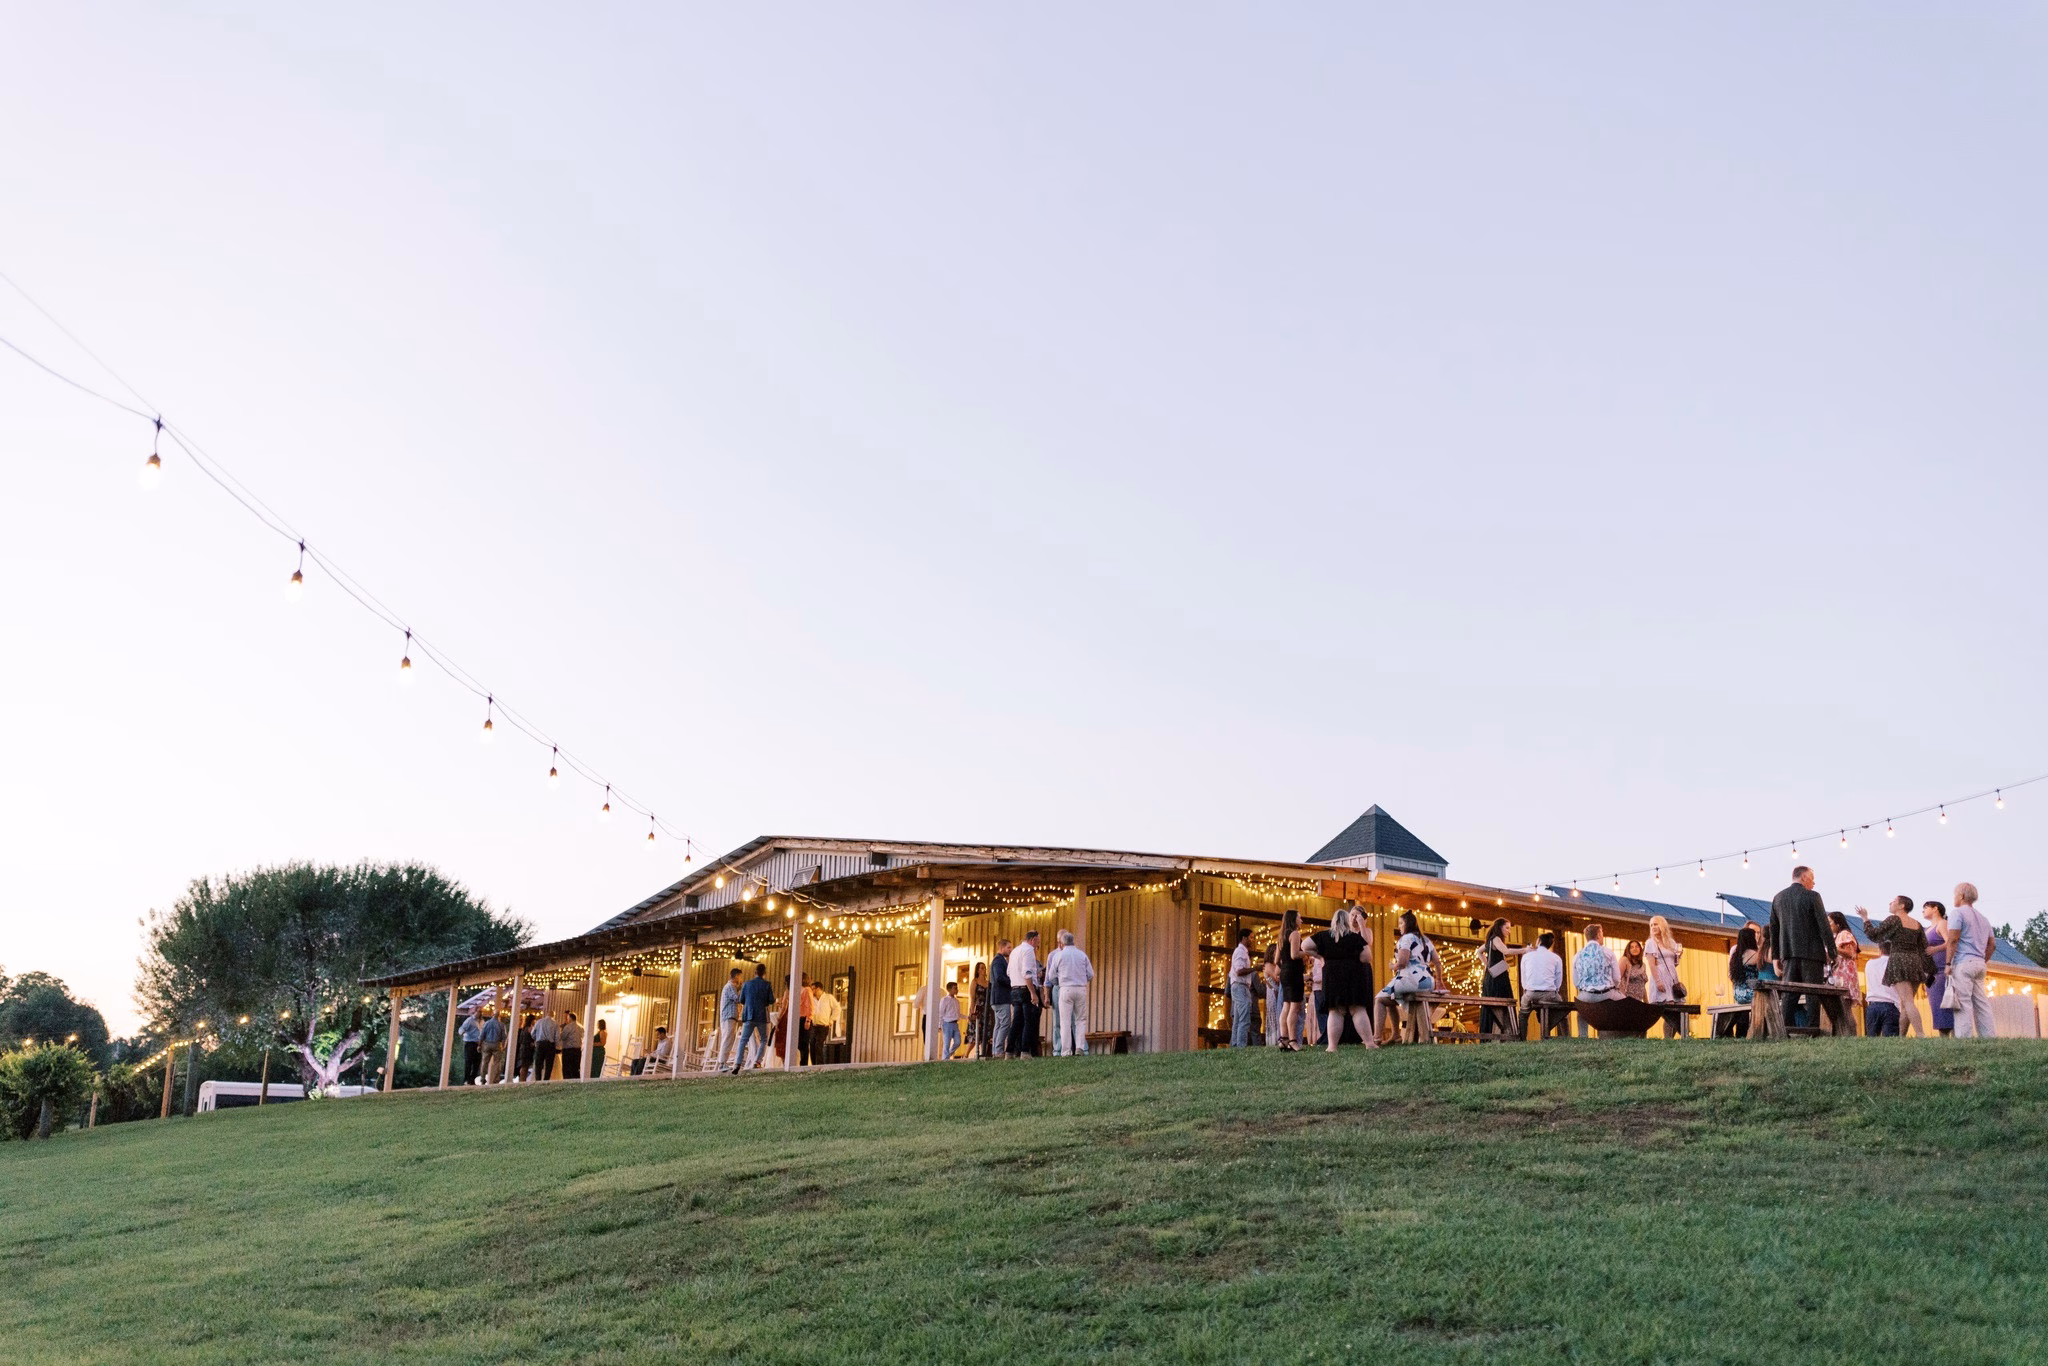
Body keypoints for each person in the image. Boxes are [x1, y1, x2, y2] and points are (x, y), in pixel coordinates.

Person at [1768, 867, 1843, 1033]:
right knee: (1812, 992)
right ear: (1803, 877)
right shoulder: (1813, 896)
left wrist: (1775, 957)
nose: (1814, 882)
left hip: (1788, 953)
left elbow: (1774, 929)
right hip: (1812, 952)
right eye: (1812, 878)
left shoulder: (1778, 898)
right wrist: (1832, 952)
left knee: (1789, 993)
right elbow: (1824, 926)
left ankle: (1785, 1029)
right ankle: (1812, 1029)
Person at [1857, 896, 1932, 1038]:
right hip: (1915, 962)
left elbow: (1874, 935)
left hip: (1899, 960)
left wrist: (1865, 919)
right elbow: (1924, 948)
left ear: (1901, 905)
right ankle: (1901, 1037)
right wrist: (1929, 969)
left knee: (1907, 1001)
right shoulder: (1917, 924)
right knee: (1905, 1004)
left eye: (1893, 901)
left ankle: (1921, 1034)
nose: (1890, 903)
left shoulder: (1894, 919)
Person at [1307, 904, 1376, 1050]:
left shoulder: (1324, 936)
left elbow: (1304, 946)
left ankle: (1332, 1047)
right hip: (1353, 977)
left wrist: (1321, 956)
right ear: (1346, 921)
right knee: (1357, 1009)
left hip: (1331, 977)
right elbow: (1366, 957)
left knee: (1335, 1010)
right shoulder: (1353, 938)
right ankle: (1369, 1043)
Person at [1374, 910, 1442, 1042]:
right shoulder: (1426, 940)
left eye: (1401, 923)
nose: (1399, 926)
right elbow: (1438, 962)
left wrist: (1393, 966)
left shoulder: (1406, 939)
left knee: (1380, 999)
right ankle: (1396, 1035)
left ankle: (1377, 1037)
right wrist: (1439, 980)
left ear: (1407, 924)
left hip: (1411, 979)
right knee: (1389, 999)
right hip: (1428, 982)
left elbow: (1403, 962)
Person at [1945, 883, 1998, 1039]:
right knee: (1982, 1003)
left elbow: (1953, 939)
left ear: (1961, 896)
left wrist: (1948, 963)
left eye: (1955, 894)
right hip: (1979, 963)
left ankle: (1964, 1038)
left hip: (1963, 962)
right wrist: (1982, 959)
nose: (1954, 897)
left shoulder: (1957, 913)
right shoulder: (1984, 918)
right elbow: (1992, 945)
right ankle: (1989, 1036)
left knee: (1963, 1002)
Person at [1045, 929, 1094, 1055]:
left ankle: (1066, 1050)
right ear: (1074, 941)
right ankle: (1080, 1047)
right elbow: (1090, 974)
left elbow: (1051, 976)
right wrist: (1082, 979)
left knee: (1064, 1020)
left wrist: (1059, 982)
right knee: (1080, 1019)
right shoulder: (1082, 955)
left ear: (1062, 943)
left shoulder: (1058, 956)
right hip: (1080, 988)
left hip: (1065, 989)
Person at [1479, 918, 1527, 1040]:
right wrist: (1524, 950)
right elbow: (1506, 951)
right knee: (1503, 1004)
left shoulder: (1490, 940)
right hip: (1498, 978)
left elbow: (1478, 952)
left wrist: (1488, 965)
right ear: (1500, 927)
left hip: (1491, 976)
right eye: (1507, 928)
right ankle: (1503, 1034)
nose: (1509, 931)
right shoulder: (1496, 939)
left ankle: (1495, 1034)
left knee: (1494, 1005)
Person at [1518, 930, 1567, 1038]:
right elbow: (1558, 981)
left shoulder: (1527, 956)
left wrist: (1527, 989)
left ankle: (1522, 1038)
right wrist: (1554, 990)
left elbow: (1524, 979)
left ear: (1538, 941)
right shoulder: (1556, 958)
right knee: (1563, 1012)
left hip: (1531, 993)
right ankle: (1566, 1036)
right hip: (1549, 994)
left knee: (1523, 1014)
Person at [1645, 915, 1687, 1039]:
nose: (1653, 927)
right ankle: (1669, 1038)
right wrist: (1658, 981)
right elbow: (1651, 964)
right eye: (1651, 925)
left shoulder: (1671, 942)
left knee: (1676, 1008)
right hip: (1660, 976)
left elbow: (1674, 963)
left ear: (1662, 925)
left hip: (1671, 977)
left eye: (1656, 924)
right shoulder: (1651, 943)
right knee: (1668, 1010)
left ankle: (1672, 1038)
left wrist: (1678, 957)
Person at [733, 964, 775, 1072]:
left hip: (749, 1015)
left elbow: (742, 999)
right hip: (761, 1016)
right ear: (764, 973)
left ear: (755, 973)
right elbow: (771, 1000)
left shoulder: (746, 984)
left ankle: (737, 1063)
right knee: (764, 1039)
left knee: (743, 1040)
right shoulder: (767, 984)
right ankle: (757, 1061)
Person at [1923, 903, 1956, 1036]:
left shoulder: (1942, 924)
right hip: (1930, 973)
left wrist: (1935, 949)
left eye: (1926, 907)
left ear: (1935, 908)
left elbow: (1950, 942)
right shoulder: (1927, 929)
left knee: (1945, 1004)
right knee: (1935, 1005)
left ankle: (1951, 1035)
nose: (1923, 910)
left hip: (1941, 971)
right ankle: (1943, 1037)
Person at [1278, 909, 1308, 1050]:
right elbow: (1295, 954)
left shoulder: (1281, 936)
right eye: (1299, 918)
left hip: (1285, 973)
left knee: (1286, 1006)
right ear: (1293, 920)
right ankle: (1292, 1040)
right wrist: (1308, 952)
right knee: (1295, 1007)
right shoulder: (1295, 934)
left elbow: (1277, 959)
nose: (1301, 921)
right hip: (1294, 973)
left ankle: (1283, 1039)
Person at [1012, 929, 1044, 1057]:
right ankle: (1025, 1050)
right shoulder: (1028, 951)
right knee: (1028, 1020)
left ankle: (1010, 1050)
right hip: (1026, 988)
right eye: (1038, 942)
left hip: (1014, 988)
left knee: (1017, 1021)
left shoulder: (1015, 951)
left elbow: (1010, 972)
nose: (1038, 945)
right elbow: (1027, 973)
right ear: (1033, 940)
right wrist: (1033, 993)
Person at [1726, 924, 1761, 1039]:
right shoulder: (1755, 955)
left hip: (1738, 994)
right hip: (1751, 994)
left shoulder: (1736, 956)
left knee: (1743, 1014)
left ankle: (1740, 1033)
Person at [1573, 924, 1623, 1002]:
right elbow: (1616, 979)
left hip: (1586, 996)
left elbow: (1576, 982)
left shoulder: (1577, 955)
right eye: (1602, 934)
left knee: (1580, 1006)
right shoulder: (1608, 952)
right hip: (1607, 995)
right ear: (1599, 935)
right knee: (1627, 1006)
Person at [1227, 927, 1257, 1047]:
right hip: (1240, 986)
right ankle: (1241, 1046)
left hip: (1239, 987)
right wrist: (1255, 968)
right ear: (1244, 938)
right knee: (1244, 1019)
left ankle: (1234, 1045)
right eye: (1251, 937)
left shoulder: (1242, 952)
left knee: (1238, 1019)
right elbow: (1239, 971)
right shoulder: (1240, 952)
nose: (1252, 940)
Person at [711, 968, 745, 1072]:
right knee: (727, 1039)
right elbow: (737, 999)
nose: (741, 979)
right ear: (736, 976)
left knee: (729, 1039)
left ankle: (723, 1062)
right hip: (728, 1016)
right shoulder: (730, 986)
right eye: (740, 976)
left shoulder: (731, 987)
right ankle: (722, 1063)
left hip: (730, 1017)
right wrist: (742, 989)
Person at [1863, 943, 1900, 1036]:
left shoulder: (1869, 964)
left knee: (1872, 1040)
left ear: (1880, 949)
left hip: (1873, 1004)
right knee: (1890, 1041)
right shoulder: (1896, 965)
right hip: (1891, 1005)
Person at [989, 938, 1016, 1059]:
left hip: (997, 998)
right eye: (1008, 947)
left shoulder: (999, 961)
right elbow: (999, 977)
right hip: (1001, 997)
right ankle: (999, 1050)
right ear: (1002, 947)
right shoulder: (998, 961)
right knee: (1005, 1023)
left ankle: (995, 1050)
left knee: (999, 1024)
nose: (1010, 950)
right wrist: (1012, 981)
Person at [810, 980, 840, 1064]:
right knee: (812, 1045)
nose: (812, 991)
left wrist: (831, 1019)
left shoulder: (828, 997)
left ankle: (820, 1065)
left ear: (818, 989)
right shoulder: (812, 999)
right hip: (814, 1025)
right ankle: (813, 1065)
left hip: (823, 1026)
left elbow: (837, 1008)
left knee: (818, 1045)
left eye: (813, 989)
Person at [476, 1008, 506, 1084]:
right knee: (497, 1062)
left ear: (492, 1015)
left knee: (484, 1062)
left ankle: (483, 1078)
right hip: (496, 1044)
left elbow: (482, 1035)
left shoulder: (486, 1023)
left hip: (486, 1044)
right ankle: (496, 1079)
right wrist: (503, 1046)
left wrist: (479, 1045)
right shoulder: (501, 1025)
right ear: (499, 1016)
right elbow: (503, 1037)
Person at [1262, 942, 1283, 1047]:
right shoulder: (1268, 965)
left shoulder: (1274, 965)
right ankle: (1274, 1039)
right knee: (1274, 1015)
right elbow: (1276, 977)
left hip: (1277, 992)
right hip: (1273, 994)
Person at [530, 1007, 560, 1081]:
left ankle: (538, 1079)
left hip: (540, 1044)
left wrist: (536, 1039)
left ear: (546, 1014)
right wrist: (557, 1046)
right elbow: (557, 1037)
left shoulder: (539, 1022)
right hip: (550, 1045)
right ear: (553, 1015)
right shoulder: (555, 1023)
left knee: (538, 1063)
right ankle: (546, 1079)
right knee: (549, 1064)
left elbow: (532, 1033)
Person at [970, 961, 991, 1058]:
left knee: (986, 1033)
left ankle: (984, 1053)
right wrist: (972, 1011)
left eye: (984, 968)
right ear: (978, 970)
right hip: (978, 1008)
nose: (984, 970)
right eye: (982, 968)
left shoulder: (988, 983)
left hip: (987, 1009)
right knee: (976, 1033)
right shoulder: (975, 982)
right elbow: (973, 998)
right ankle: (966, 1054)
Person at [938, 980, 964, 1059]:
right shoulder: (944, 1000)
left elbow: (958, 1014)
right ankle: (945, 1060)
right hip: (947, 1023)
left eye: (957, 988)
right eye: (955, 988)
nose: (956, 990)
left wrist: (967, 1017)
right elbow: (941, 1013)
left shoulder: (956, 1001)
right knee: (946, 1043)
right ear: (949, 990)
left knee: (957, 1042)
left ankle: (948, 1055)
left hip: (955, 1024)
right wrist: (939, 1024)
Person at [459, 1007, 484, 1085]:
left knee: (477, 1063)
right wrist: (464, 1034)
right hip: (470, 1043)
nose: (480, 1013)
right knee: (469, 1061)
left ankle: (472, 1079)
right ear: (475, 1012)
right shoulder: (469, 1020)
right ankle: (466, 1079)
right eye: (478, 1011)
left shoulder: (482, 1021)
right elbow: (461, 1029)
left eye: (481, 1012)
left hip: (479, 1044)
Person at [559, 1011, 585, 1080]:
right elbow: (583, 1037)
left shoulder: (568, 1027)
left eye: (568, 1018)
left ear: (570, 1018)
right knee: (576, 1067)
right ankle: (576, 1080)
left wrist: (560, 1032)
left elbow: (563, 1037)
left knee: (567, 1068)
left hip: (568, 1049)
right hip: (577, 1050)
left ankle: (567, 1081)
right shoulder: (581, 1027)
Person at [514, 1013, 536, 1083]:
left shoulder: (524, 1028)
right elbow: (532, 1038)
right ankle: (522, 1080)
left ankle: (522, 1080)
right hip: (527, 1050)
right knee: (525, 1066)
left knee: (523, 1066)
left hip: (523, 1049)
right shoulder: (529, 1029)